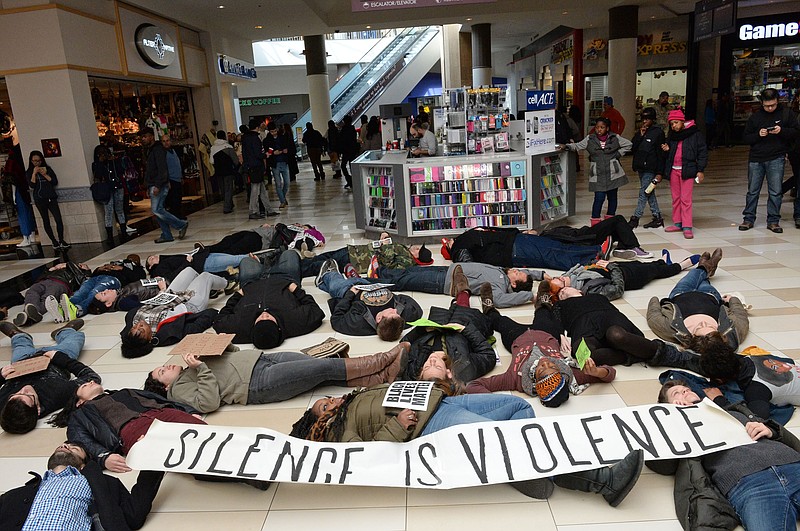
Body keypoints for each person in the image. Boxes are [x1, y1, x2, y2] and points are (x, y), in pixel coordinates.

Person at [291, 384, 644, 506]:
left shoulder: (353, 398)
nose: (332, 401)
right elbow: (369, 458)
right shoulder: (338, 435)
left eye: (328, 399)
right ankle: (603, 481)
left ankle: (527, 475)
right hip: (430, 426)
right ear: (318, 425)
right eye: (324, 406)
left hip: (443, 402)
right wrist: (398, 426)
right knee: (509, 439)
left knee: (519, 407)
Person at [655, 380, 800, 531]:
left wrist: (771, 430)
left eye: (686, 389)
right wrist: (673, 418)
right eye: (676, 393)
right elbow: (663, 464)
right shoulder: (679, 431)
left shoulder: (733, 411)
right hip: (750, 484)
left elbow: (786, 438)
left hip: (791, 465)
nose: (684, 392)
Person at [143, 345, 408, 413]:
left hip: (262, 360)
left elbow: (229, 358)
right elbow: (209, 402)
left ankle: (383, 376)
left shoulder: (191, 367)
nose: (166, 366)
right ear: (164, 385)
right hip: (258, 383)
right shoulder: (177, 391)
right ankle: (383, 360)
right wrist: (201, 367)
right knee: (324, 368)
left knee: (317, 370)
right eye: (161, 371)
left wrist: (220, 346)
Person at [0, 441, 164, 531]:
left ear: (84, 465)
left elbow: (134, 515)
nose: (65, 446)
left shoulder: (103, 484)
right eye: (62, 445)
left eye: (74, 448)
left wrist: (150, 455)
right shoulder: (14, 496)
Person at [467, 329, 616, 407]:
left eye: (541, 369)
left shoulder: (514, 379)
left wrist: (498, 404)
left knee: (501, 321)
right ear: (561, 373)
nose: (545, 362)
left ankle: (490, 310)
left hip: (517, 338)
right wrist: (597, 372)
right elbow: (611, 373)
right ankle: (543, 302)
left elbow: (473, 385)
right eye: (552, 366)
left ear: (534, 380)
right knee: (545, 316)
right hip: (547, 336)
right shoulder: (570, 374)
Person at [0, 320, 97, 434]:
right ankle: (65, 331)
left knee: (20, 345)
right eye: (29, 396)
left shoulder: (4, 406)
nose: (24, 389)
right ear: (38, 409)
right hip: (53, 359)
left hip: (22, 361)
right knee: (75, 340)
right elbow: (91, 378)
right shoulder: (57, 394)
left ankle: (18, 335)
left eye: (16, 394)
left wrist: (1, 376)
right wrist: (60, 358)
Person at [647, 248, 750, 353]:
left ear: (693, 337)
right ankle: (707, 267)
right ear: (720, 335)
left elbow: (653, 316)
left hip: (681, 293)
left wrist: (656, 301)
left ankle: (705, 267)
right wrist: (732, 300)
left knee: (693, 275)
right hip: (710, 294)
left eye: (699, 327)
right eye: (710, 327)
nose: (703, 323)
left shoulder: (671, 330)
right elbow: (741, 316)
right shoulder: (732, 332)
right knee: (702, 278)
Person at [118, 268, 226, 358]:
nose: (138, 325)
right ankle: (227, 283)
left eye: (134, 328)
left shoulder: (132, 321)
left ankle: (208, 289)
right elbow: (196, 326)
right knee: (205, 276)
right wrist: (211, 313)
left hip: (168, 297)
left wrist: (162, 292)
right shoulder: (167, 334)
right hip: (191, 305)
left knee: (189, 271)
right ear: (149, 339)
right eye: (141, 330)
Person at [315, 259, 422, 340]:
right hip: (371, 285)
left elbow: (336, 319)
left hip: (349, 290)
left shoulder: (359, 324)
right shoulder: (398, 321)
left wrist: (350, 293)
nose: (395, 310)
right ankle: (354, 278)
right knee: (363, 280)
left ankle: (327, 275)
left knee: (335, 285)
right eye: (397, 313)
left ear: (379, 318)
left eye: (392, 312)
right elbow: (415, 307)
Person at [740, 88, 800, 232]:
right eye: (767, 105)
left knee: (775, 191)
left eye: (773, 105)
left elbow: (796, 132)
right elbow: (745, 138)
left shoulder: (786, 114)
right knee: (753, 191)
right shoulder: (755, 117)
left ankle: (773, 220)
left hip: (776, 157)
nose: (770, 108)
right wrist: (758, 134)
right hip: (756, 158)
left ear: (777, 101)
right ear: (762, 103)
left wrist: (782, 131)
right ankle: (748, 218)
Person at [212, 275, 325, 348]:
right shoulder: (295, 321)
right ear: (278, 326)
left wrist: (237, 295)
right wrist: (295, 289)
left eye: (260, 319)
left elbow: (219, 320)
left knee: (247, 261)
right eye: (269, 319)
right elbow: (316, 310)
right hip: (284, 277)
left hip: (250, 282)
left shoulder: (238, 327)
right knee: (289, 255)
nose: (264, 315)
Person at [559, 117, 633, 224]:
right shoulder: (590, 139)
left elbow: (629, 144)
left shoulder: (615, 137)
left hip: (613, 173)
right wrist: (566, 146)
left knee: (612, 197)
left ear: (607, 128)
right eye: (597, 127)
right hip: (597, 173)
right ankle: (595, 221)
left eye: (602, 127)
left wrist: (618, 154)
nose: (599, 129)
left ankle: (610, 219)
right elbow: (578, 146)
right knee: (599, 197)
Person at [370, 262, 537, 309]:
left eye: (517, 274)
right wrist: (542, 275)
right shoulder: (503, 270)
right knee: (410, 271)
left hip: (444, 282)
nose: (515, 270)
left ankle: (369, 283)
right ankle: (380, 272)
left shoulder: (499, 285)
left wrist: (530, 296)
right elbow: (528, 270)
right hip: (449, 269)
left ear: (514, 284)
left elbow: (499, 301)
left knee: (405, 282)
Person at [549, 253, 699, 301]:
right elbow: (618, 289)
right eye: (562, 282)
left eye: (560, 278)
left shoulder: (570, 275)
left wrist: (599, 262)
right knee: (653, 271)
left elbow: (586, 265)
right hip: (627, 277)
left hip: (615, 267)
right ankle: (681, 265)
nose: (563, 278)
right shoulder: (588, 291)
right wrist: (610, 267)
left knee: (642, 263)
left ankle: (664, 262)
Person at [698, 351, 800, 421]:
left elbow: (756, 420)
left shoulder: (757, 389)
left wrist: (719, 399)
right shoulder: (751, 357)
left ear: (720, 380)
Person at [660, 108, 708, 239]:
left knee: (685, 199)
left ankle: (687, 226)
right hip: (673, 170)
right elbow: (668, 154)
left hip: (688, 170)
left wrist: (700, 170)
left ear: (682, 121)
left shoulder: (695, 134)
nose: (673, 126)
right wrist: (667, 150)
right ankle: (678, 222)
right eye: (671, 124)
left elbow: (702, 152)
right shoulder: (672, 135)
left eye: (675, 123)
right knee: (676, 198)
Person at [141, 127, 188, 243]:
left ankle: (180, 224)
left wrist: (157, 185)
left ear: (151, 137)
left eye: (145, 137)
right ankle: (167, 234)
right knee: (159, 210)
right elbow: (151, 169)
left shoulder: (157, 150)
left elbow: (162, 168)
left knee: (157, 210)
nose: (143, 139)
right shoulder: (151, 150)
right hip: (155, 183)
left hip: (159, 184)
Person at [13, 261, 88, 325]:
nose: (81, 264)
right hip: (44, 280)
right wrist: (53, 268)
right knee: (31, 292)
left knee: (46, 298)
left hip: (60, 283)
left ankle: (28, 316)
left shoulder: (79, 274)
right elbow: (47, 271)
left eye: (84, 266)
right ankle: (29, 314)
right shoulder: (61, 268)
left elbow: (82, 279)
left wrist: (69, 265)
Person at [628, 107, 666, 229]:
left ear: (653, 119)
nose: (644, 121)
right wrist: (640, 135)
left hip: (651, 168)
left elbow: (661, 154)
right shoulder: (640, 132)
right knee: (649, 192)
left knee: (644, 192)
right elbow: (633, 148)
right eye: (643, 119)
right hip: (640, 167)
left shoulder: (658, 133)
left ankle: (636, 217)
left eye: (647, 119)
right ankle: (657, 216)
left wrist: (660, 172)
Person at [26, 149, 69, 249]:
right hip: (40, 199)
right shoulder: (29, 172)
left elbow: (54, 182)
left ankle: (61, 240)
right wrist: (34, 174)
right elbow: (32, 185)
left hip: (51, 197)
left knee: (58, 219)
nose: (36, 163)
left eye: (39, 161)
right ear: (31, 161)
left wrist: (44, 174)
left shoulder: (48, 169)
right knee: (46, 220)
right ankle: (54, 241)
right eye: (34, 161)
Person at [91, 145, 128, 245]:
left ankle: (124, 232)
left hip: (117, 187)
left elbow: (120, 171)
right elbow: (98, 175)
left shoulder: (114, 161)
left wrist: (112, 160)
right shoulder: (96, 164)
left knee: (119, 210)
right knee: (108, 211)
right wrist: (100, 162)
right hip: (106, 190)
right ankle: (110, 236)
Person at [242, 118, 278, 219]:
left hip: (250, 166)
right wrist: (265, 155)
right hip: (256, 166)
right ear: (257, 127)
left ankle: (269, 209)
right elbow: (258, 153)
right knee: (255, 189)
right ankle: (252, 211)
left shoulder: (245, 138)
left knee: (262, 189)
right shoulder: (254, 138)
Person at [3, 143, 37, 247]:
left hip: (18, 191)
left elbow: (11, 180)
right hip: (25, 189)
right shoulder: (23, 160)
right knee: (27, 212)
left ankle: (26, 236)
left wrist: (12, 196)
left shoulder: (12, 162)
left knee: (22, 213)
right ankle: (31, 234)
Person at [210, 130, 240, 214]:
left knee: (223, 189)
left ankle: (229, 204)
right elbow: (236, 161)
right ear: (224, 137)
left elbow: (211, 161)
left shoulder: (213, 148)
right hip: (228, 171)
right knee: (228, 188)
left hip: (218, 171)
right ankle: (227, 207)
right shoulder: (228, 147)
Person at [263, 122, 290, 208]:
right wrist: (273, 153)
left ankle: (283, 197)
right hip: (275, 164)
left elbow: (289, 146)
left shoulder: (283, 137)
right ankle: (282, 201)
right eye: (272, 131)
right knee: (278, 184)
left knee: (287, 182)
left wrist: (286, 150)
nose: (274, 133)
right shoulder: (267, 140)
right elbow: (267, 152)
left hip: (284, 162)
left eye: (275, 131)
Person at [163, 134, 184, 220]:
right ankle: (175, 218)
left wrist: (181, 176)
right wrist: (167, 181)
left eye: (167, 141)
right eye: (164, 141)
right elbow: (164, 167)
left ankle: (178, 215)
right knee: (173, 200)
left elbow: (177, 164)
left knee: (178, 198)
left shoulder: (173, 151)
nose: (166, 143)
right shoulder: (164, 153)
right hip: (171, 179)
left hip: (177, 178)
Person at [338, 115, 359, 190]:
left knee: (343, 166)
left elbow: (341, 140)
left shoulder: (344, 129)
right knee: (351, 166)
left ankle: (349, 179)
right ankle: (354, 180)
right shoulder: (352, 129)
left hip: (346, 151)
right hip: (352, 150)